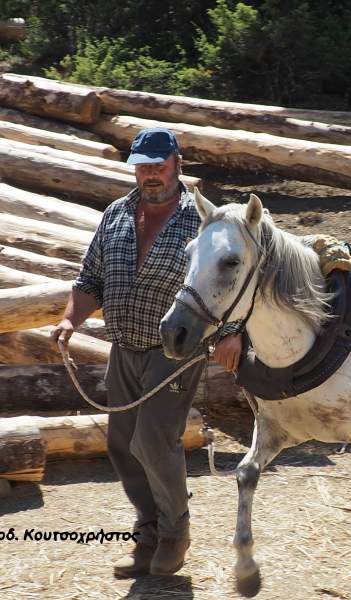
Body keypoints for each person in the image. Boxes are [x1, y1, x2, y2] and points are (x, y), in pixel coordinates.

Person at [50, 128, 242, 578]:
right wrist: (69, 320)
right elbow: (89, 279)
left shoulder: (204, 220)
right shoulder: (117, 213)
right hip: (124, 346)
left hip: (173, 350)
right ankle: (148, 530)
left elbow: (230, 283)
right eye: (143, 166)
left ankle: (175, 533)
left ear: (177, 163)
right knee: (122, 442)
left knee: (155, 439)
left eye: (158, 165)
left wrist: (231, 332)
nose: (150, 175)